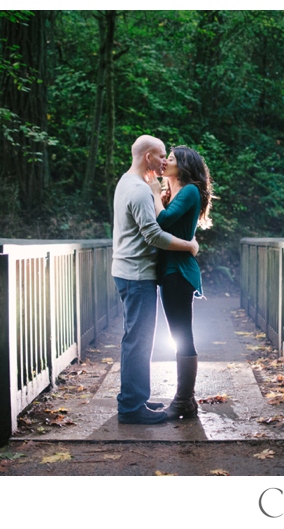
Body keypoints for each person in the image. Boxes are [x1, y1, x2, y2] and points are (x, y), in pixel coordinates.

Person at [111, 135, 199, 424]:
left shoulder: (126, 182)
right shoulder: (138, 190)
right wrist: (190, 245)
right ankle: (131, 408)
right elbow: (154, 235)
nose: (164, 161)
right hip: (136, 274)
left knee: (138, 339)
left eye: (169, 157)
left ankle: (136, 399)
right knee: (138, 340)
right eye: (162, 155)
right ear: (148, 157)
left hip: (131, 271)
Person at [147, 146, 214, 419]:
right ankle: (186, 399)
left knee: (181, 335)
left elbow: (162, 221)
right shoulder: (175, 193)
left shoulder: (188, 191)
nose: (165, 162)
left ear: (183, 165)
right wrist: (160, 193)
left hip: (178, 272)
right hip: (171, 271)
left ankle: (184, 400)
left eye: (170, 159)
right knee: (179, 333)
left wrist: (153, 191)